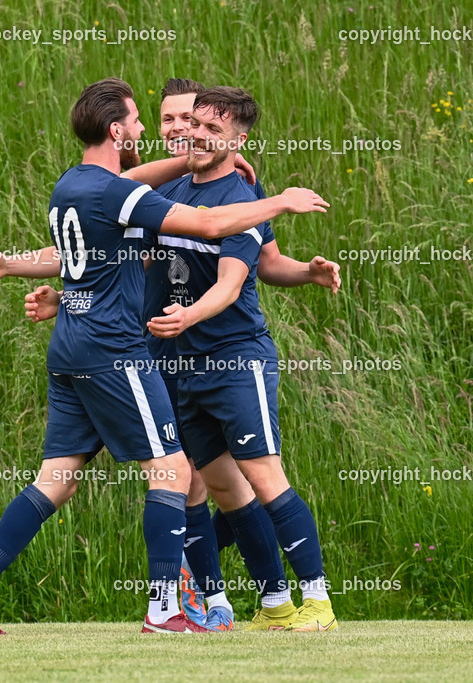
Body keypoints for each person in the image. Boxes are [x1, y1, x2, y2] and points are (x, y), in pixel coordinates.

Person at [0, 77, 330, 635]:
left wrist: (26, 274)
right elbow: (208, 222)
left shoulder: (71, 185)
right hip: (114, 350)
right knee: (173, 472)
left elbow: (96, 249)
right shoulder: (119, 192)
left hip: (71, 346)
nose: (154, 129)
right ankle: (163, 609)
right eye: (140, 120)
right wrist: (282, 200)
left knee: (58, 478)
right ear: (116, 130)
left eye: (198, 125)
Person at [145, 86, 338, 632]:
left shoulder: (242, 197)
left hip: (235, 359)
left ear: (239, 140)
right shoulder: (171, 192)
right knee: (226, 489)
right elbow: (133, 254)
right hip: (183, 364)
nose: (197, 135)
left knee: (264, 475)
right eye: (195, 124)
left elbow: (233, 283)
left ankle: (319, 603)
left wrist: (189, 316)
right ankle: (275, 605)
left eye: (213, 129)